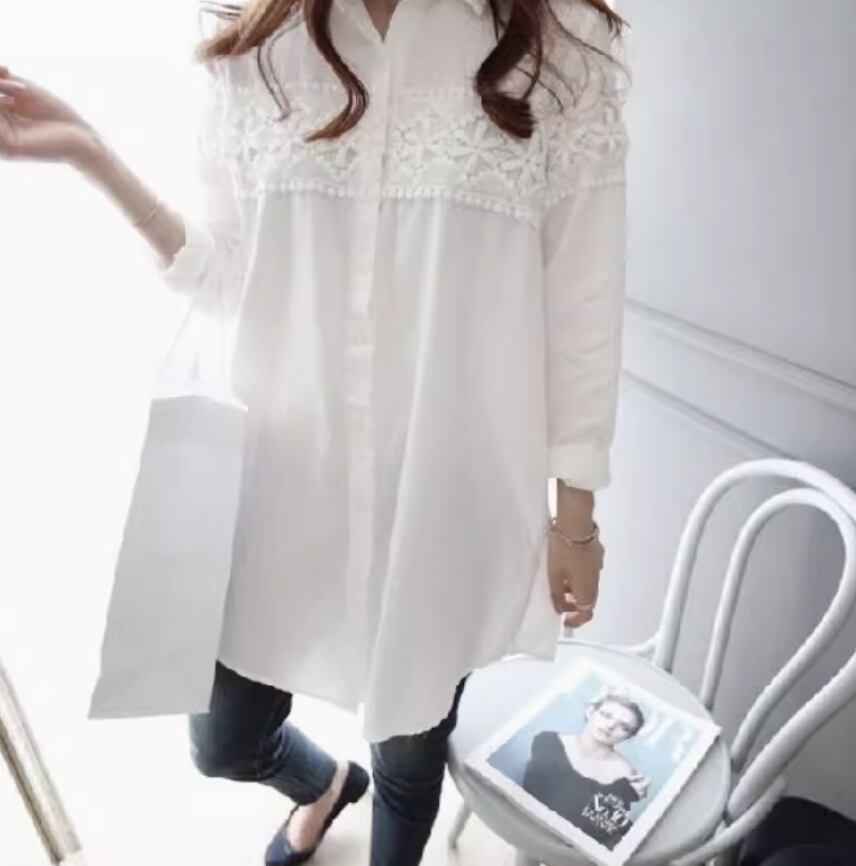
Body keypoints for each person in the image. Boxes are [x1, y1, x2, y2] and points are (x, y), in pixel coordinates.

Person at [0, 0, 630, 862]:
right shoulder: (254, 45)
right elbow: (225, 272)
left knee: (409, 752)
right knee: (222, 741)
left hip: (445, 495)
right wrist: (92, 156)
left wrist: (575, 516)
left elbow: (583, 301)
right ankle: (324, 785)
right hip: (282, 481)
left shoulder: (559, 43)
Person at [522, 692, 651, 850]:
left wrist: (619, 796)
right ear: (590, 712)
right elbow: (542, 796)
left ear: (628, 736)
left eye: (623, 727)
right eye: (606, 715)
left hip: (566, 848)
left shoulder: (624, 772)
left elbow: (592, 830)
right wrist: (613, 791)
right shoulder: (548, 741)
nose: (610, 726)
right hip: (525, 823)